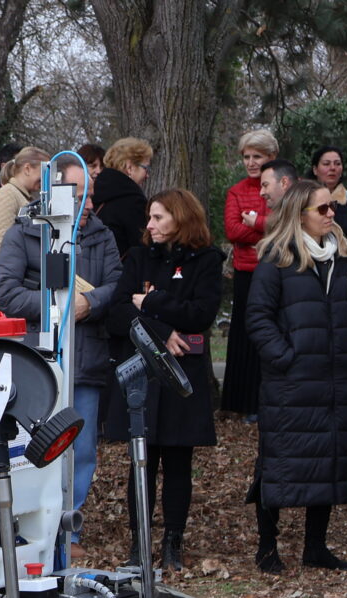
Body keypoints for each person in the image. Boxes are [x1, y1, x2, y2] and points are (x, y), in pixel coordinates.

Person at [0, 156, 121, 545]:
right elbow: (6, 292)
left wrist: (92, 304)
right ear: (54, 194)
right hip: (36, 363)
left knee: (80, 451)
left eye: (90, 196)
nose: (87, 204)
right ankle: (27, 530)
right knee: (29, 450)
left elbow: (116, 283)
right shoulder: (22, 234)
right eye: (78, 195)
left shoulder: (103, 236)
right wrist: (62, 307)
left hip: (87, 361)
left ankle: (67, 534)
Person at [104, 190, 224, 571]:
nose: (150, 226)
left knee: (177, 462)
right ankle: (139, 543)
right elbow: (117, 313)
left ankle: (173, 541)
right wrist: (158, 326)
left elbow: (201, 314)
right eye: (150, 218)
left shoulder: (206, 261)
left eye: (158, 218)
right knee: (141, 461)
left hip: (181, 372)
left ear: (181, 218)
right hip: (142, 370)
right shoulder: (139, 257)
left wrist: (150, 303)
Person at [247, 178, 347, 572]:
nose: (332, 215)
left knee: (328, 459)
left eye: (332, 208)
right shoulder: (276, 260)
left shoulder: (338, 258)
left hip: (335, 379)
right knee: (279, 462)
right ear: (299, 215)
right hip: (291, 381)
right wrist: (286, 357)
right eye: (322, 209)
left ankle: (316, 547)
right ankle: (266, 548)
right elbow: (257, 318)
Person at [220, 128, 280, 420]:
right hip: (247, 271)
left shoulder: (284, 186)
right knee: (245, 335)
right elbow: (233, 230)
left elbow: (288, 225)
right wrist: (266, 226)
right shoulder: (237, 191)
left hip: (278, 269)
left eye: (258, 156)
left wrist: (255, 222)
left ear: (271, 157)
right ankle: (244, 403)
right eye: (247, 156)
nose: (251, 162)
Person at [0, 146, 47, 293]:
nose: (46, 179)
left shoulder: (20, 196)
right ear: (27, 169)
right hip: (1, 283)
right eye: (44, 172)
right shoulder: (7, 196)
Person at [92, 137, 152, 257]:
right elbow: (143, 248)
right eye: (146, 168)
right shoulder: (134, 201)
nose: (148, 175)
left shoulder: (93, 192)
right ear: (130, 167)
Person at [309, 146, 347, 245]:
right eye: (326, 164)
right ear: (315, 169)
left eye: (338, 164)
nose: (332, 168)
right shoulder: (303, 198)